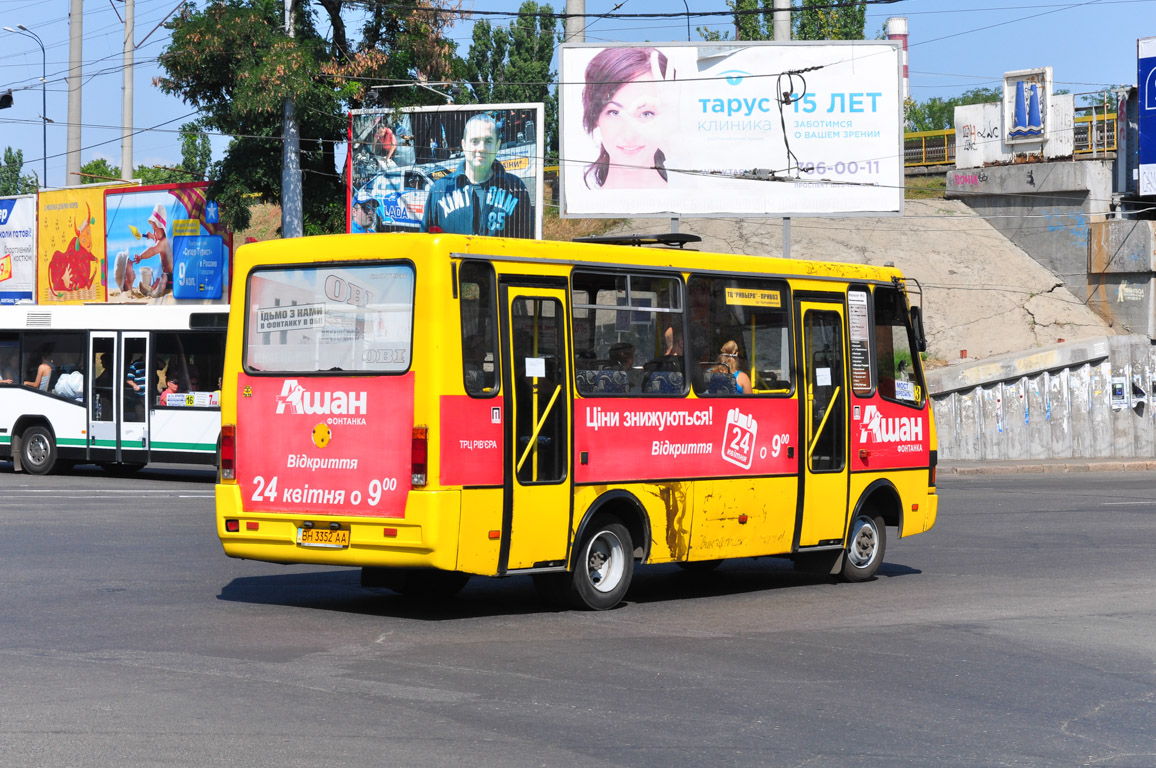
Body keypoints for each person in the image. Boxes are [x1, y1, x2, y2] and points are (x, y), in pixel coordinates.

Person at [421, 114, 533, 238]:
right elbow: (425, 242)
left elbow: (526, 243)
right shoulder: (440, 189)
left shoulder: (515, 188)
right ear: (464, 145)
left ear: (498, 145)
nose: (481, 148)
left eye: (488, 141)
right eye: (474, 141)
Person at [581, 47, 674, 190]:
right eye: (614, 113)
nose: (630, 135)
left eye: (646, 113)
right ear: (596, 117)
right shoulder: (582, 206)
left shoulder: (691, 202)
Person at [133, 203, 174, 297]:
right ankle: (151, 289)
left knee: (163, 278)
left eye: (155, 230)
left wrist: (140, 257)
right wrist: (152, 236)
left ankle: (156, 293)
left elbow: (152, 250)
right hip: (166, 274)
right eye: (153, 230)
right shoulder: (160, 239)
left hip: (171, 276)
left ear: (162, 228)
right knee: (158, 280)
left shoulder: (163, 243)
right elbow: (156, 238)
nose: (153, 232)